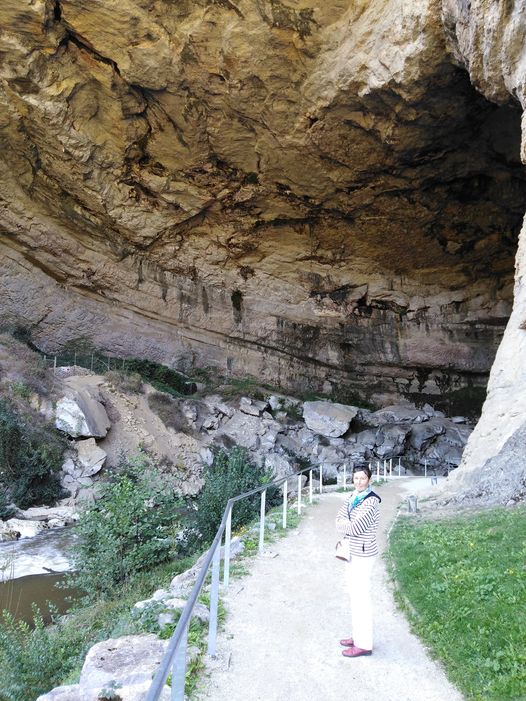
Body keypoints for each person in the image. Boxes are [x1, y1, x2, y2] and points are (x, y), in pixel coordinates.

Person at [335, 464, 381, 657]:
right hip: (352, 552)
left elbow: (355, 528)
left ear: (369, 479)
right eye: (356, 478)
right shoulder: (353, 497)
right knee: (354, 595)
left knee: (361, 598)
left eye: (362, 478)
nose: (359, 482)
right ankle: (357, 635)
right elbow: (338, 517)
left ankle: (364, 644)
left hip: (363, 554)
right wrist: (344, 524)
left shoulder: (371, 501)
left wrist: (342, 525)